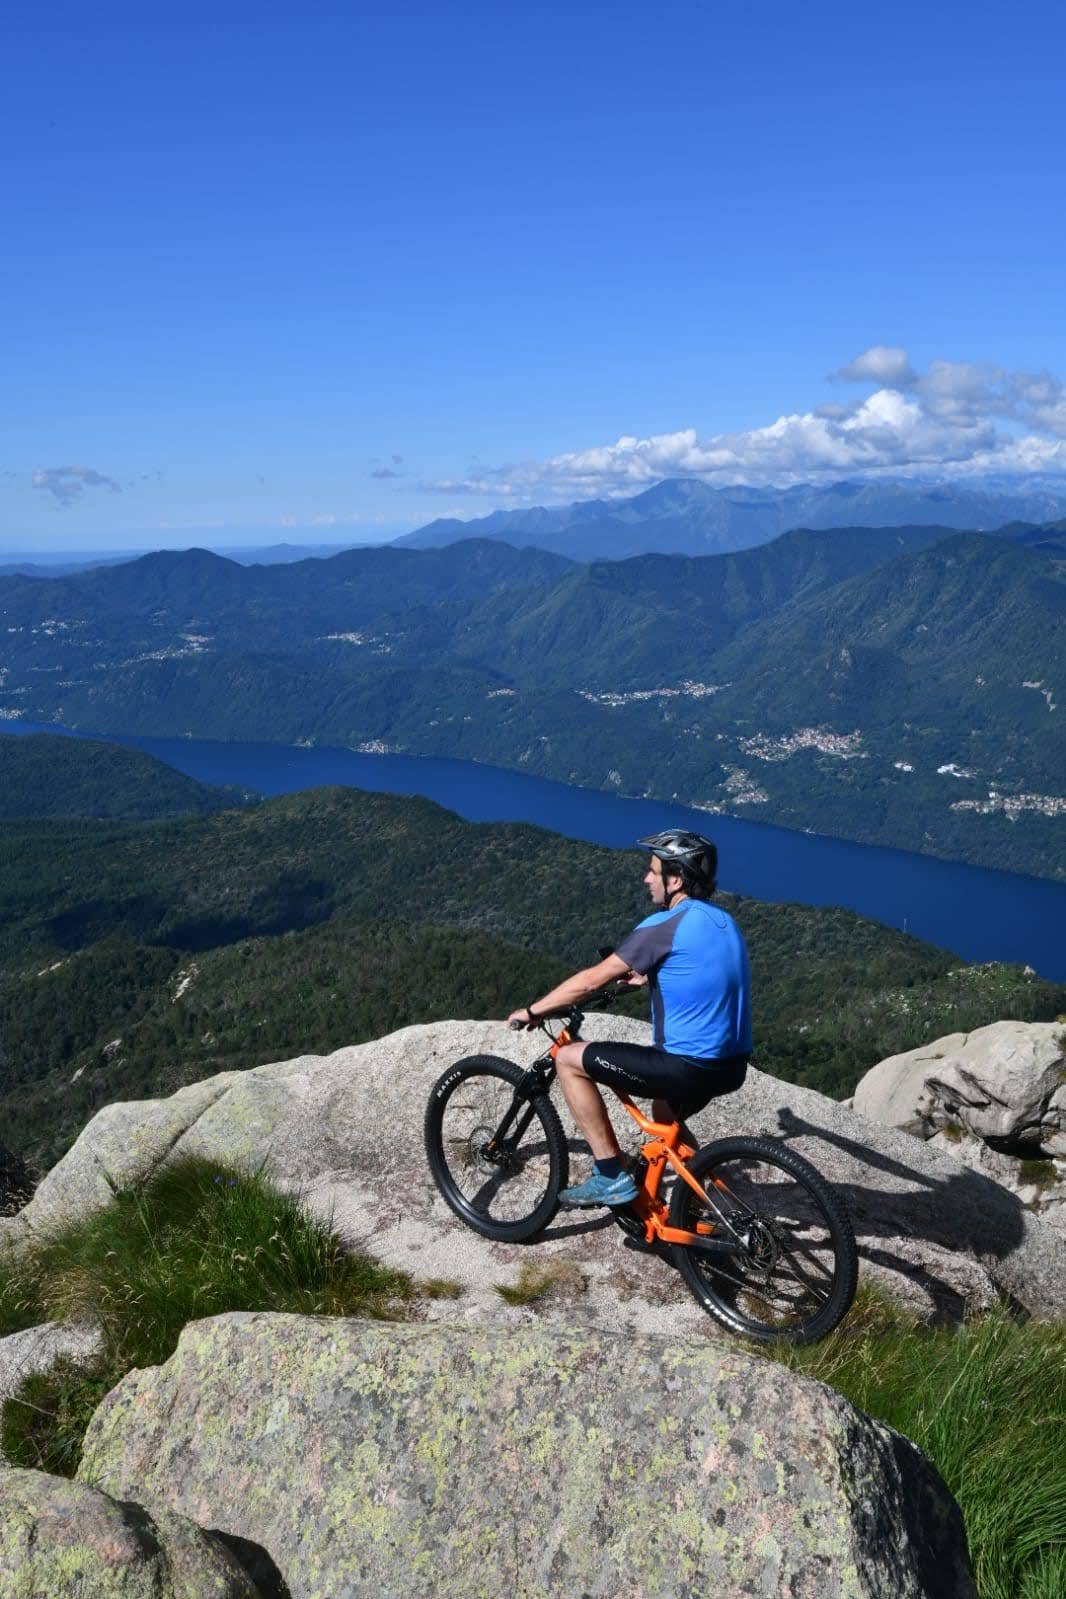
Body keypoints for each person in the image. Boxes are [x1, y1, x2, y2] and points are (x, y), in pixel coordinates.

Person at [507, 829, 751, 1208]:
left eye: (654, 871)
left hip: (686, 1065)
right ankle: (718, 1205)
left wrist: (534, 1010)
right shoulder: (724, 922)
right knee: (663, 1111)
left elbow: (591, 980)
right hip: (732, 1066)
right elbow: (701, 971)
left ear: (677, 879)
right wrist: (651, 973)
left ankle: (609, 1175)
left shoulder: (662, 926)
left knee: (568, 1059)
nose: (647, 878)